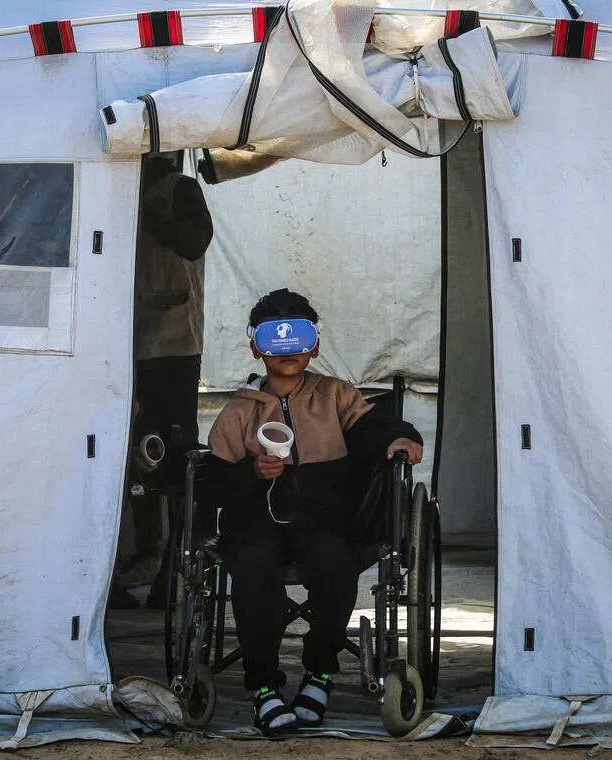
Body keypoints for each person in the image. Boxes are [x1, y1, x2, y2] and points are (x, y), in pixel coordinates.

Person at [205, 289, 423, 735]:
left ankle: (319, 672)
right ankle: (264, 686)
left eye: (298, 338)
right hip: (257, 525)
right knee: (255, 565)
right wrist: (253, 474)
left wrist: (400, 437)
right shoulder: (238, 412)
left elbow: (375, 429)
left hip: (324, 519)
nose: (288, 351)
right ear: (256, 347)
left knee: (335, 561)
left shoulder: (337, 398)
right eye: (274, 340)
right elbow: (211, 486)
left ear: (315, 345)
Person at [111, 152, 213, 610]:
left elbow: (195, 242)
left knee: (171, 459)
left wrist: (157, 220)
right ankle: (117, 570)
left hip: (171, 348)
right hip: (116, 346)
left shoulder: (179, 188)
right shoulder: (109, 182)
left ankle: (171, 573)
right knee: (117, 458)